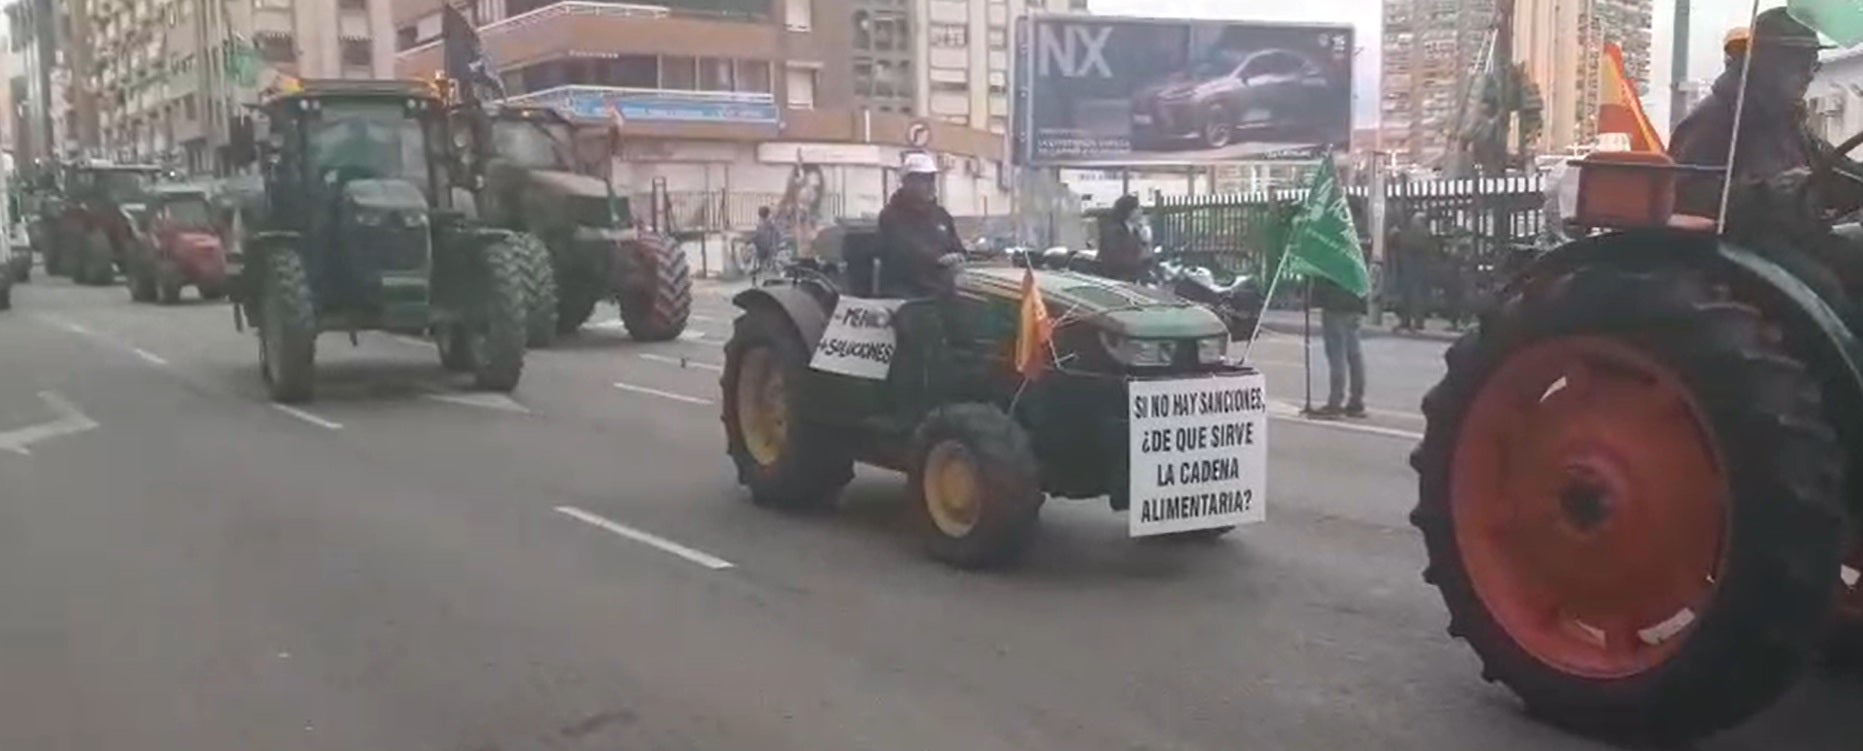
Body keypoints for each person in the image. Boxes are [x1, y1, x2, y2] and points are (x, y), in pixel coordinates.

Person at [1670, 8, 1863, 294]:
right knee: (1825, 288)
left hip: (1793, 235)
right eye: (1800, 63)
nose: (1809, 75)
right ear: (1762, 61)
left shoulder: (1788, 121)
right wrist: (1770, 193)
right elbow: (1687, 198)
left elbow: (1833, 168)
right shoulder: (1717, 119)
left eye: (1814, 64)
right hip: (1744, 246)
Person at [877, 152, 966, 297]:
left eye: (932, 179)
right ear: (907, 183)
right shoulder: (891, 216)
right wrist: (937, 259)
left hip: (943, 292)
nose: (931, 186)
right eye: (924, 180)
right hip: (908, 294)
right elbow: (905, 248)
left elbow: (956, 245)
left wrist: (960, 256)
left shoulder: (941, 215)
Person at [1309, 275, 1367, 419]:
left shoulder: (1331, 254)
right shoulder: (1355, 252)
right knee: (1354, 354)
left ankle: (1335, 402)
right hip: (1354, 301)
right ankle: (1356, 401)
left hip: (1335, 303)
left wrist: (1315, 298)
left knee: (1337, 355)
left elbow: (1322, 272)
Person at [1391, 212, 1435, 331]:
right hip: (1409, 268)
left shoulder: (1423, 233)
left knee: (1415, 296)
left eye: (1416, 220)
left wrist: (1398, 236)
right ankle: (1407, 320)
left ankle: (1417, 321)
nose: (1413, 222)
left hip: (1416, 269)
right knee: (1407, 296)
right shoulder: (1416, 233)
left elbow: (1413, 245)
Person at [1097, 194, 1149, 282]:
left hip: (1132, 278)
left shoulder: (1135, 231)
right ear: (1129, 211)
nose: (1141, 211)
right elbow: (1114, 258)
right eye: (1137, 208)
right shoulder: (1114, 231)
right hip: (1115, 278)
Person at [751, 206, 780, 271]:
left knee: (761, 254)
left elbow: (758, 235)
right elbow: (775, 234)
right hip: (766, 245)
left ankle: (764, 265)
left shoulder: (763, 223)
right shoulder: (768, 223)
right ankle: (766, 265)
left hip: (764, 245)